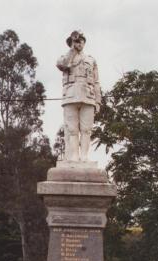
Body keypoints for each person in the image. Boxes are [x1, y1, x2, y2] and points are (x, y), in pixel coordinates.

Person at [56, 30, 101, 163]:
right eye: (76, 41)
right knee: (72, 129)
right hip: (70, 96)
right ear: (71, 43)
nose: (79, 43)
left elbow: (96, 81)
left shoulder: (91, 60)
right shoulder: (66, 57)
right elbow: (61, 64)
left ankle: (84, 156)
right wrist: (72, 51)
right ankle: (74, 156)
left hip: (88, 97)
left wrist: (98, 101)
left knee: (86, 129)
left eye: (81, 40)